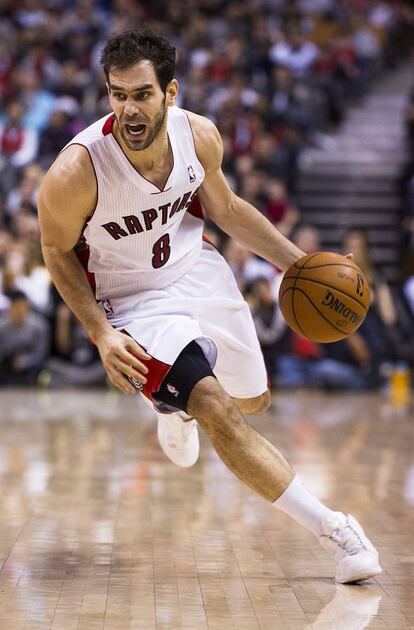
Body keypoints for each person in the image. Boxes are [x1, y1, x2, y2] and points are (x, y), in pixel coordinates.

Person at [38, 30, 381, 584]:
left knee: (254, 402)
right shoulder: (77, 172)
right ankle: (337, 531)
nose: (128, 108)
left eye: (142, 94)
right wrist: (100, 332)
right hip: (130, 303)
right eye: (117, 94)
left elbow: (225, 207)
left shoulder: (199, 137)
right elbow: (54, 250)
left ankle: (171, 406)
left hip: (197, 270)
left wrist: (297, 264)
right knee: (217, 408)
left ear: (170, 92)